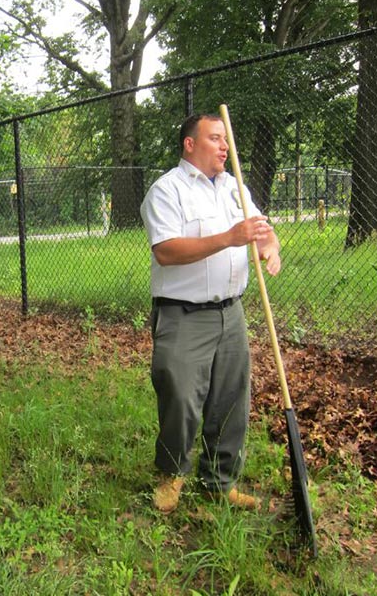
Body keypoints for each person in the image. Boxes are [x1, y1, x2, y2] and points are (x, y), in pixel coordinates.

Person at [139, 113, 282, 514]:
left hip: (231, 311)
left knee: (231, 398)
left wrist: (271, 246)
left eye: (226, 140)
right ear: (190, 144)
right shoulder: (167, 190)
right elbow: (166, 251)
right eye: (216, 139)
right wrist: (229, 238)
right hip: (184, 314)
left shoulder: (235, 187)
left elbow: (261, 229)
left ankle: (219, 481)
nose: (225, 147)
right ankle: (172, 475)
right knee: (180, 396)